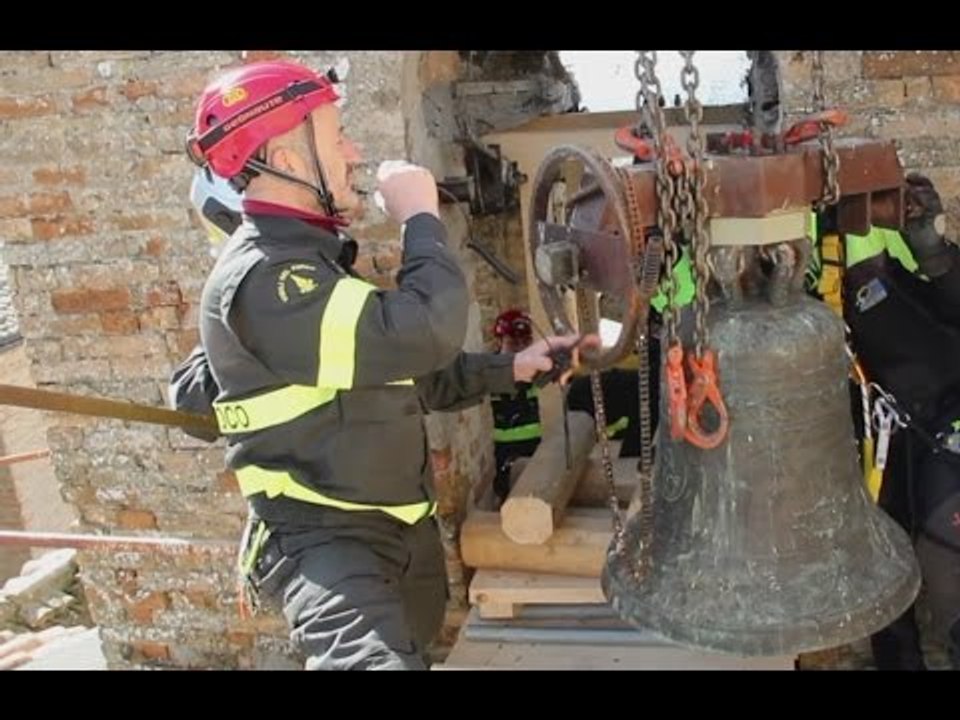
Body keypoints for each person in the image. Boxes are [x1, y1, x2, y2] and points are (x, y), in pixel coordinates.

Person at [169, 59, 589, 670]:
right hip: (331, 545)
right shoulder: (267, 278)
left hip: (395, 535)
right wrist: (421, 217)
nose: (353, 150)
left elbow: (406, 378)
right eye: (337, 136)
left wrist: (514, 368)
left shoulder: (312, 266)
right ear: (287, 162)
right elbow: (424, 331)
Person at [808, 173, 960, 670]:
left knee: (939, 565)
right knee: (884, 564)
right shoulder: (773, 241)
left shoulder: (878, 215)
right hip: (875, 425)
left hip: (938, 414)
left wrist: (932, 250)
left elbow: (946, 300)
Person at [489, 309, 542, 503]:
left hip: (536, 443)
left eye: (525, 342)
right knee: (507, 491)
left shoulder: (537, 366)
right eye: (513, 343)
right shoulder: (491, 370)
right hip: (506, 448)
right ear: (499, 343)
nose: (520, 348)